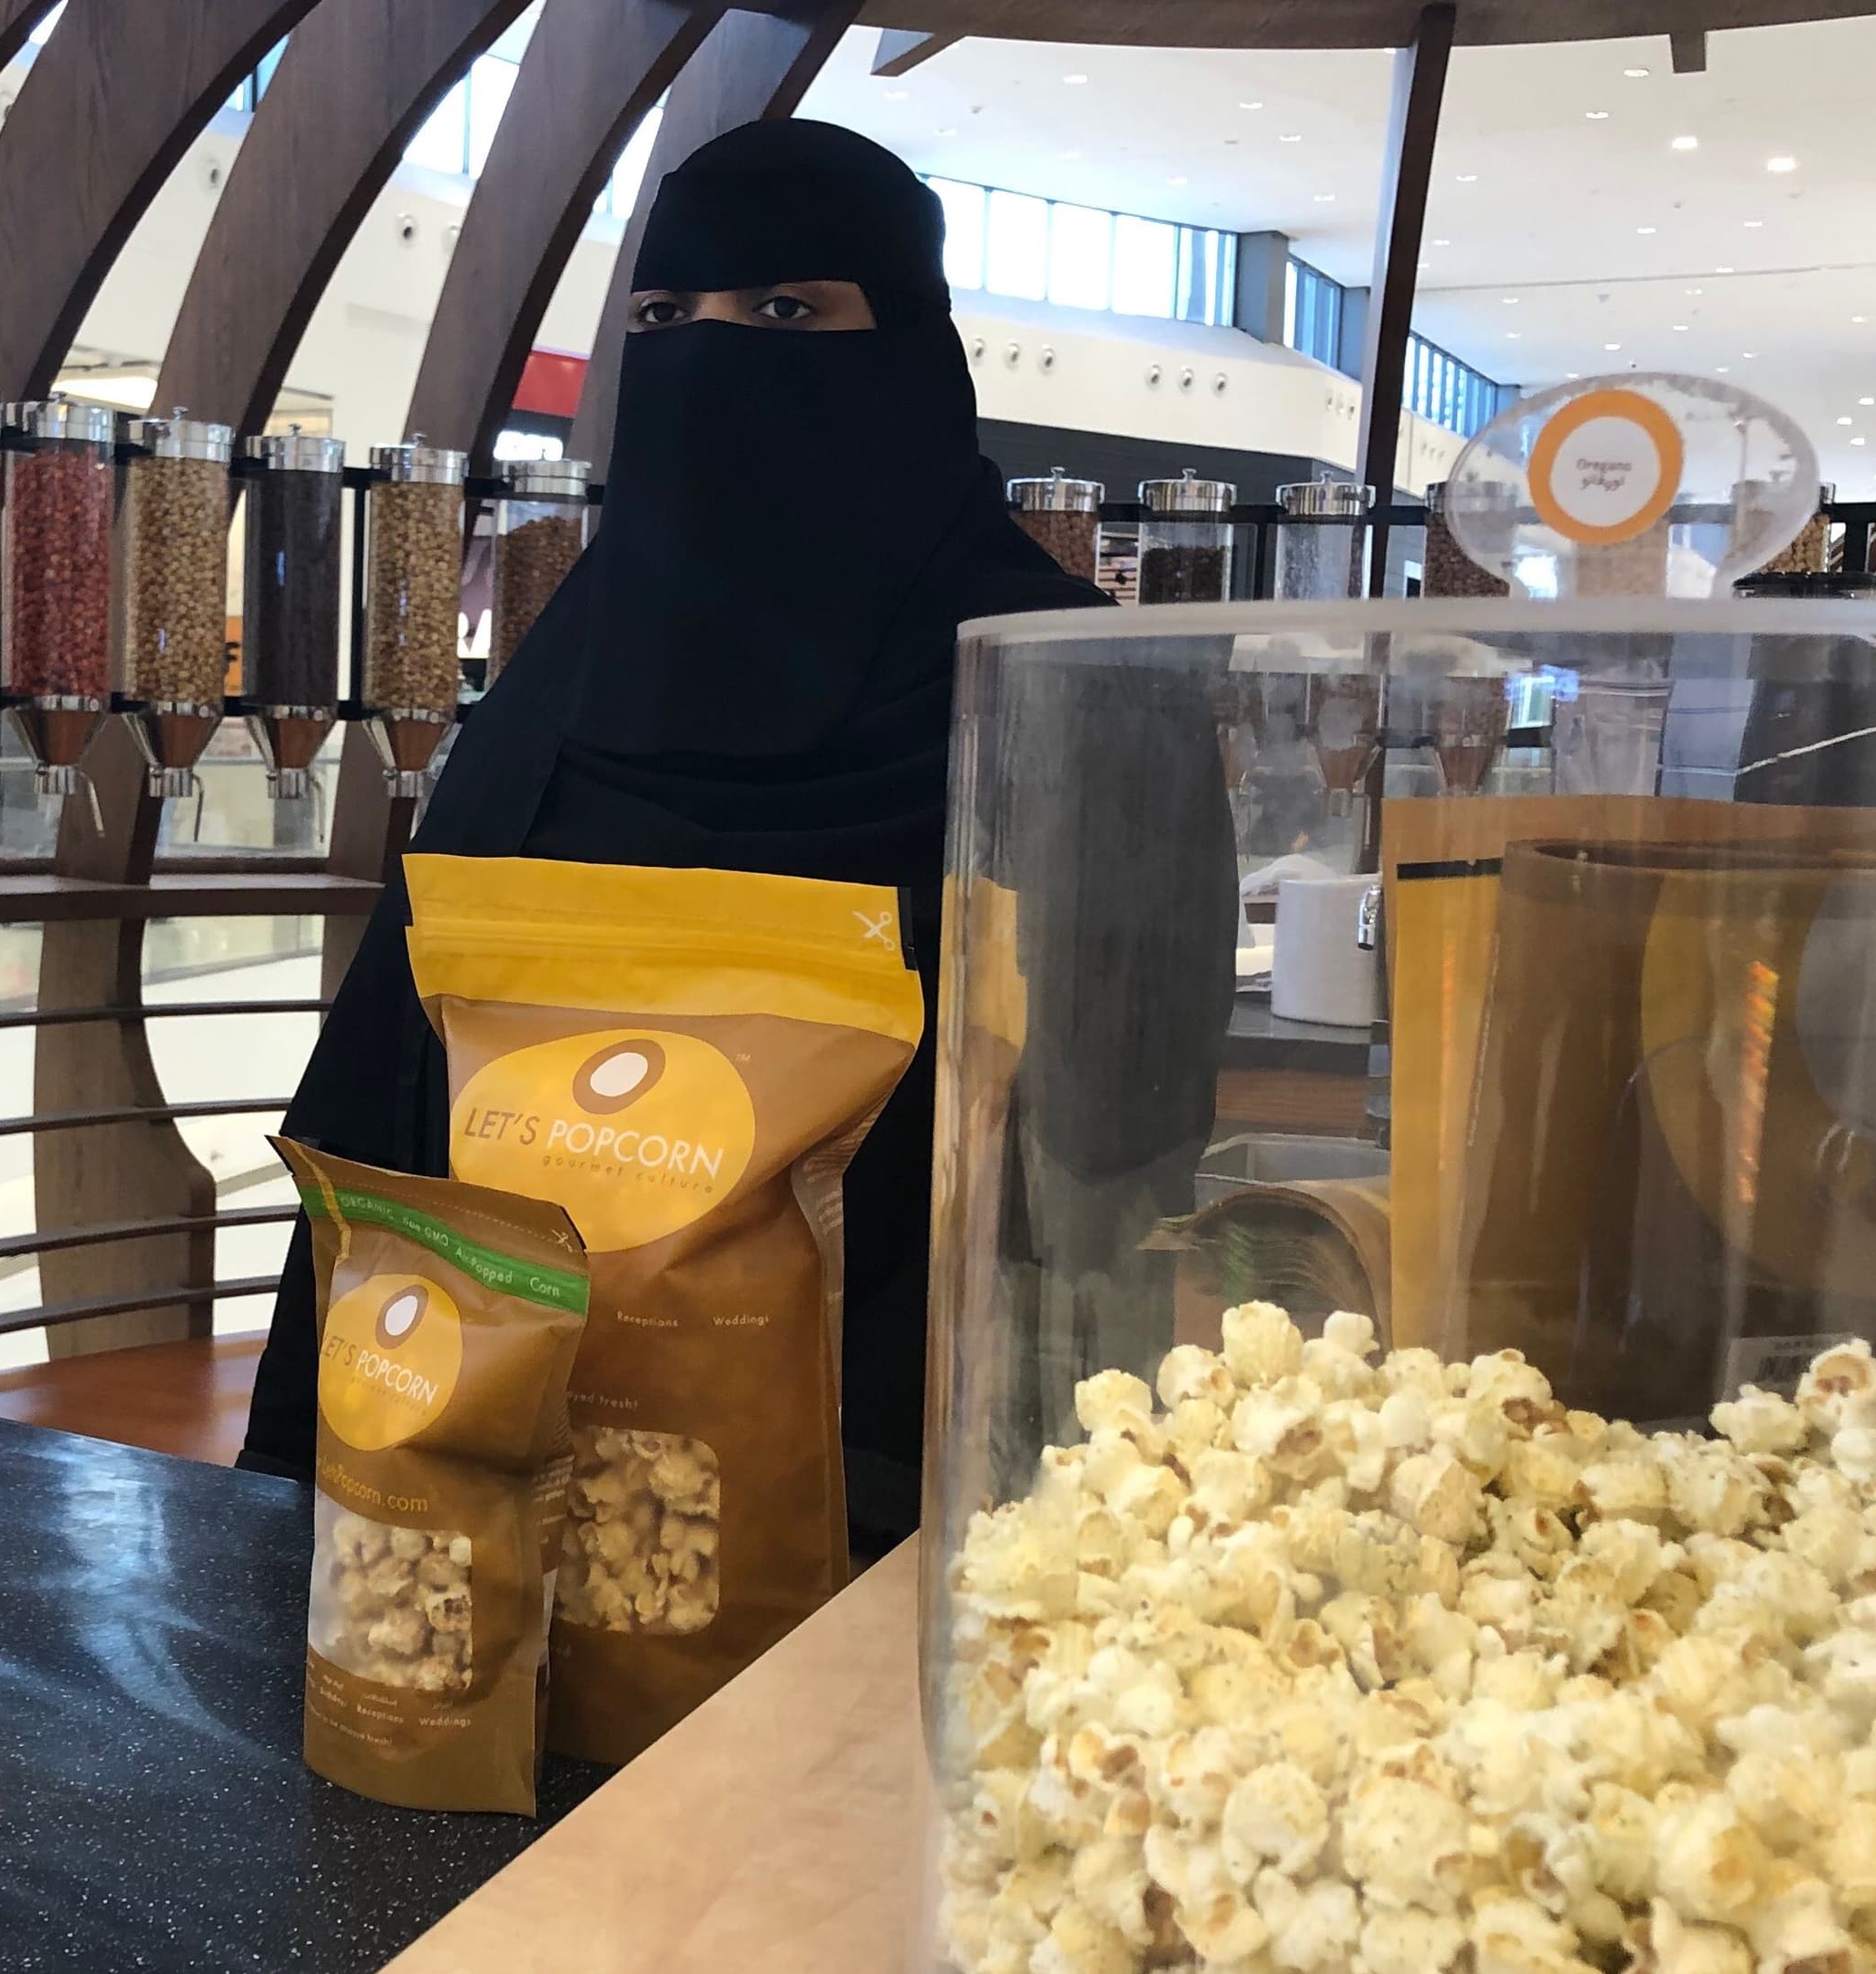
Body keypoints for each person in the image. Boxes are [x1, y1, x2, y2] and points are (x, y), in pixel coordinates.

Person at [245, 118, 1232, 1550]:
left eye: (786, 311)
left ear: (908, 342)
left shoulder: (1068, 688)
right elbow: (392, 1075)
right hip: (513, 1460)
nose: (716, 355)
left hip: (896, 1478)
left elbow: (1133, 1126)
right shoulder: (566, 680)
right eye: (666, 317)